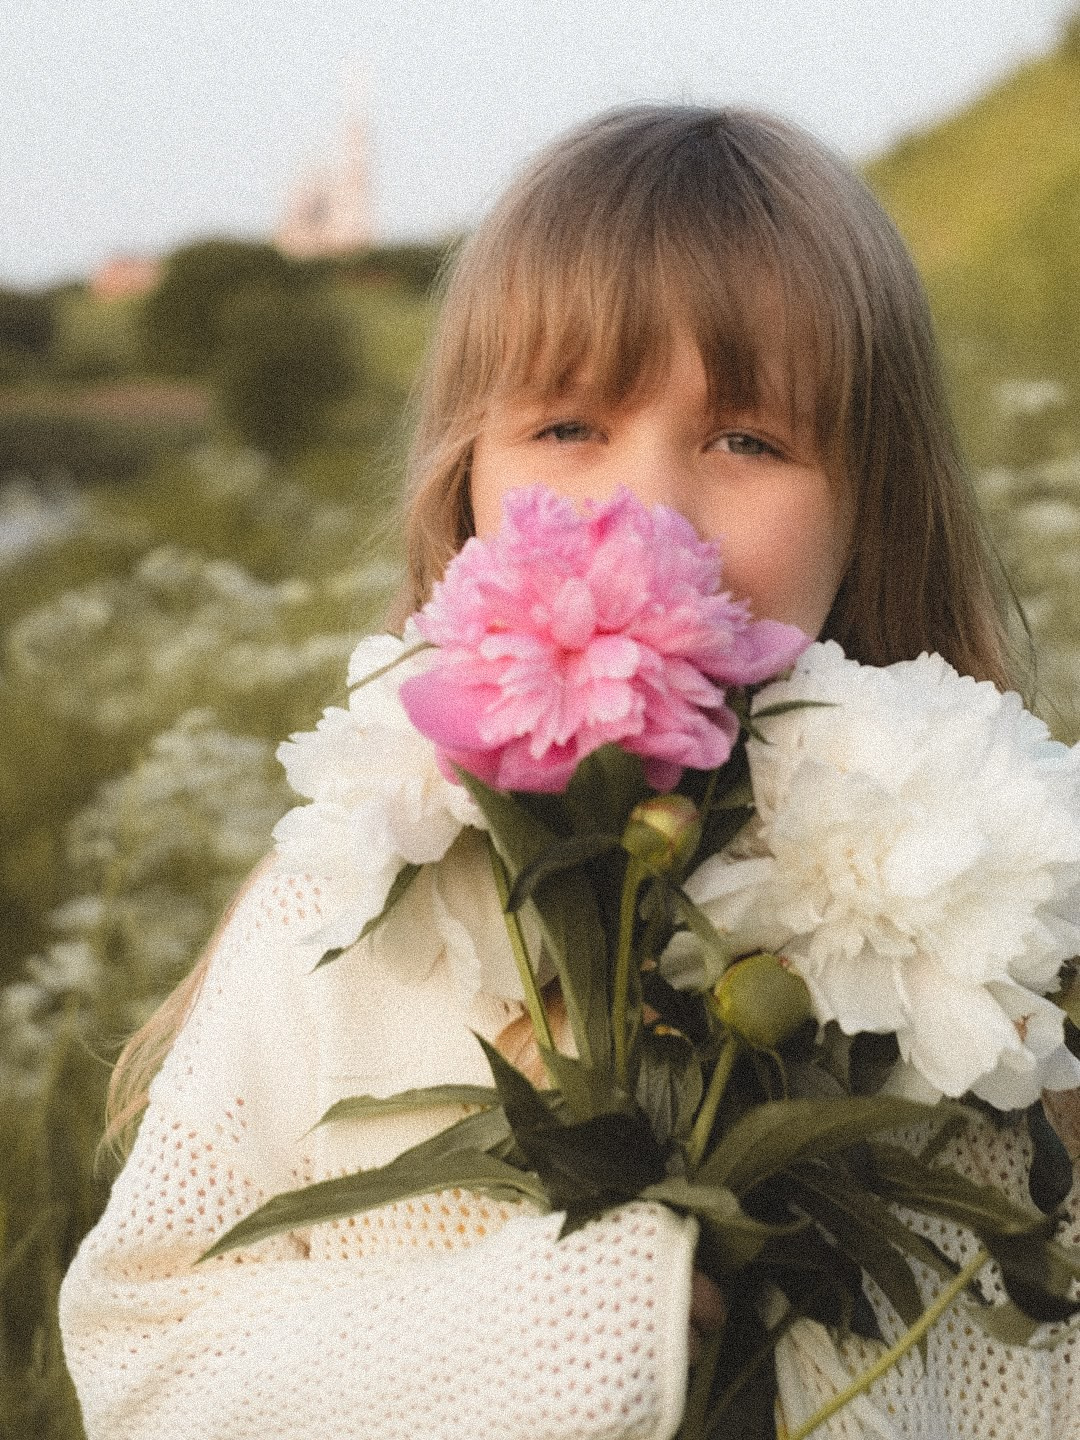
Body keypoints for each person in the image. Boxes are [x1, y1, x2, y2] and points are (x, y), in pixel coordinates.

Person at [59, 105, 1079, 1440]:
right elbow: (142, 1351)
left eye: (749, 440)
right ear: (462, 490)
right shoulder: (338, 912)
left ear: (873, 513)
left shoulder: (981, 938)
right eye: (566, 427)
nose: (645, 510)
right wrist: (564, 1324)